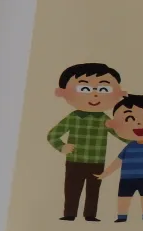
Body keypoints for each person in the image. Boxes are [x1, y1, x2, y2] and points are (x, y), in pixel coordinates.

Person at [47, 62, 125, 221]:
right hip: (75, 160)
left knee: (93, 190)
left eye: (103, 89)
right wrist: (62, 147)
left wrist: (138, 138)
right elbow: (53, 135)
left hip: (96, 161)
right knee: (72, 189)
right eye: (84, 89)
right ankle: (69, 214)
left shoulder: (104, 119)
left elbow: (120, 134)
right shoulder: (73, 117)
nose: (95, 95)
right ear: (63, 92)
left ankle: (90, 215)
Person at [96, 95, 143, 222]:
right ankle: (122, 216)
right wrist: (106, 173)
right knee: (124, 197)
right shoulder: (130, 145)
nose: (138, 123)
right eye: (130, 118)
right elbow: (118, 160)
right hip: (127, 178)